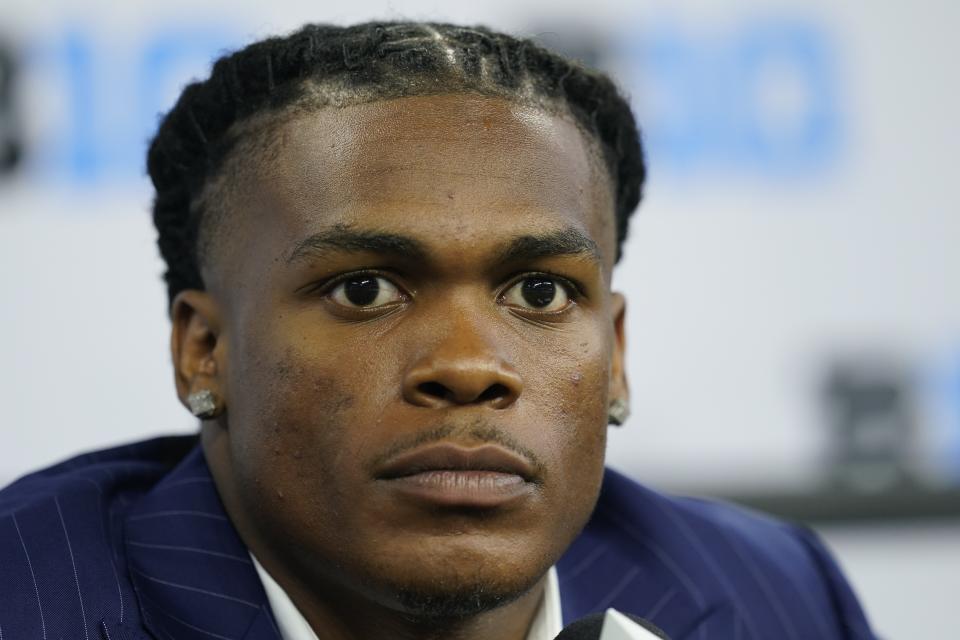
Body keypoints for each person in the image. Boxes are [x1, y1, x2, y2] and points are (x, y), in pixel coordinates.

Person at [0, 21, 875, 640]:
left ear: (616, 355)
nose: (468, 367)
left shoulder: (776, 596)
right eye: (365, 287)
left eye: (540, 292)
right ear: (204, 350)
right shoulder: (28, 598)